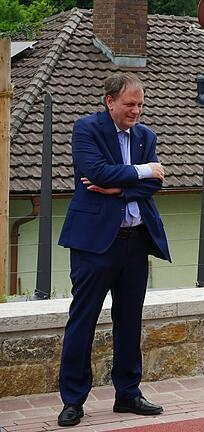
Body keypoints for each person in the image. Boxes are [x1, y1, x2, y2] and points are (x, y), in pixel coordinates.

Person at [56, 73, 171, 427]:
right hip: (94, 244)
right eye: (129, 104)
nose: (136, 111)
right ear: (110, 101)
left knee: (129, 321)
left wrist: (119, 190)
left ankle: (128, 393)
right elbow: (96, 172)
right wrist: (140, 172)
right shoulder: (86, 129)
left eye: (140, 104)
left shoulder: (146, 136)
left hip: (135, 242)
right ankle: (73, 400)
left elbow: (152, 185)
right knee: (83, 320)